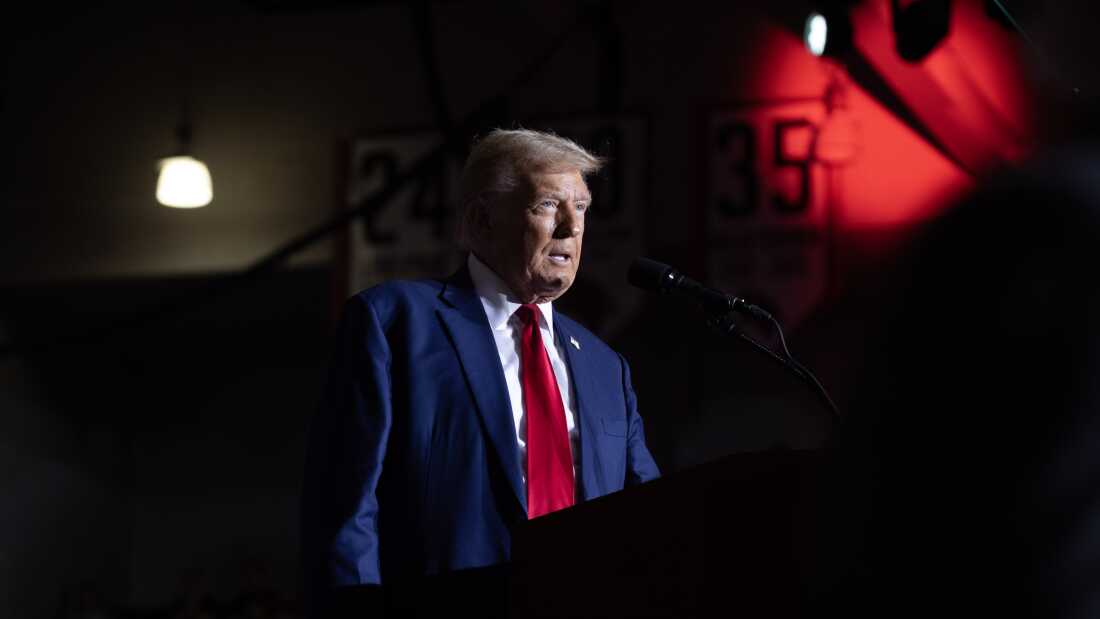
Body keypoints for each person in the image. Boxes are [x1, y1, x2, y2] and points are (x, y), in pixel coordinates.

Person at [301, 129, 660, 618]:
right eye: (548, 204)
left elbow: (652, 520)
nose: (571, 227)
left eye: (582, 207)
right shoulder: (396, 323)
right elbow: (345, 506)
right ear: (482, 219)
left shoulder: (605, 367)